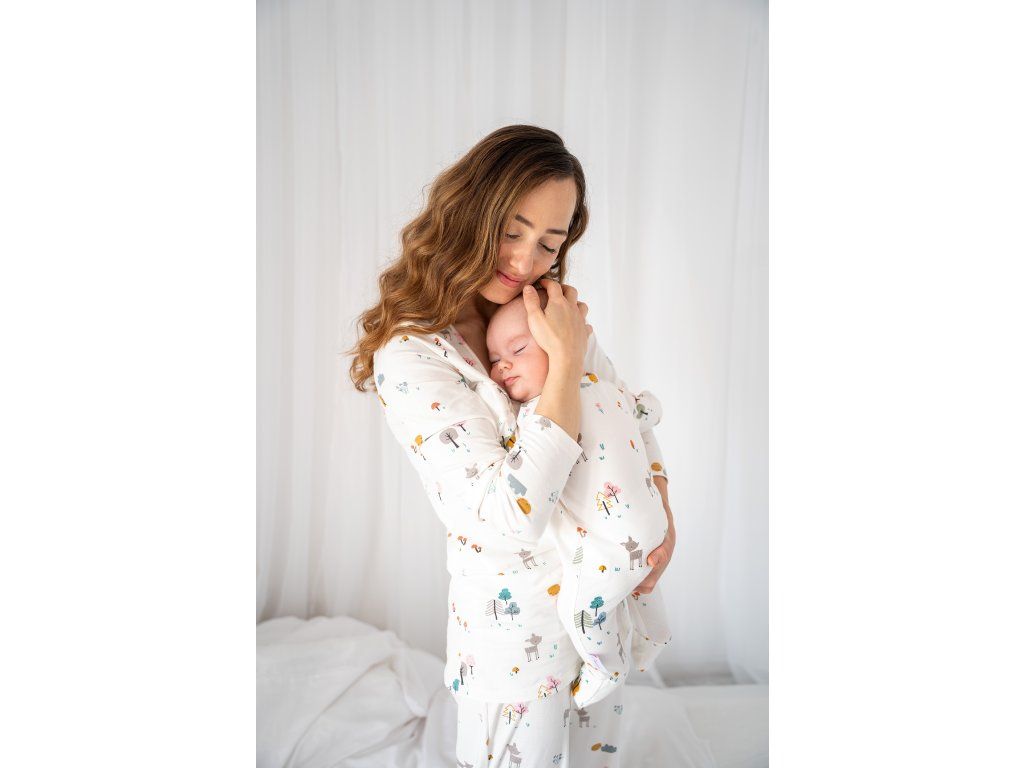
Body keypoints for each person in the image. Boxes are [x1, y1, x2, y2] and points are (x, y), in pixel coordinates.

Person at [349, 125, 676, 768]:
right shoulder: (412, 354)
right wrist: (563, 364)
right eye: (511, 231)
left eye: (549, 243)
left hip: (605, 610)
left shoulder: (542, 310)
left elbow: (625, 414)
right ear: (469, 214)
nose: (527, 262)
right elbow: (510, 515)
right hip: (514, 640)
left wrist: (662, 514)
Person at [485, 290, 673, 710]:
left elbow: (525, 473)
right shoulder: (607, 388)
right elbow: (649, 412)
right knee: (644, 586)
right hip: (653, 524)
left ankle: (607, 667)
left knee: (581, 610)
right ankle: (655, 637)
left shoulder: (538, 416)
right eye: (494, 359)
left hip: (606, 549)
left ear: (566, 342)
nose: (502, 367)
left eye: (517, 350)